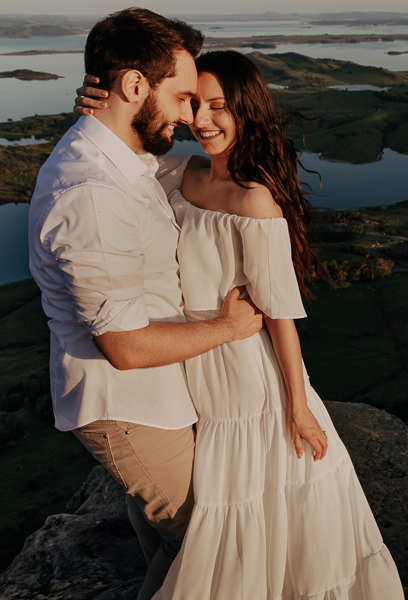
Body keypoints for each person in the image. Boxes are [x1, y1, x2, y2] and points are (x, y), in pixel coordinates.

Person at [79, 50, 404, 599]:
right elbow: (119, 159)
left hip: (246, 378)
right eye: (195, 104)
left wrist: (297, 407)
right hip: (195, 359)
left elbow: (280, 316)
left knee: (233, 510)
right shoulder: (183, 174)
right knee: (191, 511)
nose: (202, 120)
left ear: (247, 111)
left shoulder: (256, 202)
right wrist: (98, 110)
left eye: (219, 106)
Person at [28, 9, 264, 600]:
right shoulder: (91, 193)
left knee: (169, 542)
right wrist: (231, 327)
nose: (188, 115)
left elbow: (171, 171)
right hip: (129, 405)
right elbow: (126, 347)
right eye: (182, 97)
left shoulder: (118, 160)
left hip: (156, 397)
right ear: (136, 87)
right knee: (208, 543)